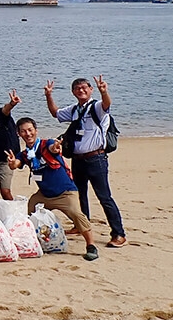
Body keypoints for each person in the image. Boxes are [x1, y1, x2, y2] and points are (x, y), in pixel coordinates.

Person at [45, 76, 126, 248]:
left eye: (84, 87)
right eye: (77, 88)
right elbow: (55, 113)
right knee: (79, 195)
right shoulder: (75, 109)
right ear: (73, 92)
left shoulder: (97, 107)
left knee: (104, 197)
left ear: (90, 89)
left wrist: (104, 91)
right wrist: (49, 96)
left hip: (96, 159)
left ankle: (119, 234)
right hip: (78, 160)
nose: (81, 90)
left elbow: (106, 104)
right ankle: (81, 225)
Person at [6, 117, 99, 261]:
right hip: (44, 195)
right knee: (29, 212)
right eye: (23, 131)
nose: (28, 134)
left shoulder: (46, 144)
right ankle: (32, 240)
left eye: (30, 130)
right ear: (19, 134)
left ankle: (91, 245)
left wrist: (55, 148)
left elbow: (53, 148)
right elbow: (16, 164)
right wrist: (12, 163)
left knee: (76, 214)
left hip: (65, 192)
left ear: (36, 131)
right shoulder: (25, 154)